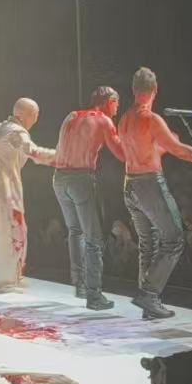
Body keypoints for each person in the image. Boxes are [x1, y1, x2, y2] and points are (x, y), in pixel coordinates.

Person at [117, 67, 192, 321]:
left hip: (130, 184)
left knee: (149, 243)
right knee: (174, 240)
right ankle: (150, 295)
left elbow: (138, 152)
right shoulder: (151, 119)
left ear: (133, 90)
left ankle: (148, 302)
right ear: (155, 90)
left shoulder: (124, 119)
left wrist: (162, 147)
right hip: (149, 184)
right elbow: (182, 151)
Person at [52, 86, 125, 310]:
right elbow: (122, 154)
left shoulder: (71, 116)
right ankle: (94, 296)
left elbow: (60, 146)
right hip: (80, 179)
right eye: (116, 102)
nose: (118, 107)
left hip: (59, 178)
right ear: (109, 101)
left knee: (75, 231)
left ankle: (80, 284)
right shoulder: (103, 120)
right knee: (94, 239)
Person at [0, 98, 56, 293]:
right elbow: (34, 152)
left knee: (16, 233)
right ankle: (4, 283)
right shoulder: (17, 132)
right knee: (12, 235)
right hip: (3, 192)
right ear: (26, 115)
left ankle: (13, 278)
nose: (35, 120)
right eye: (34, 115)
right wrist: (62, 157)